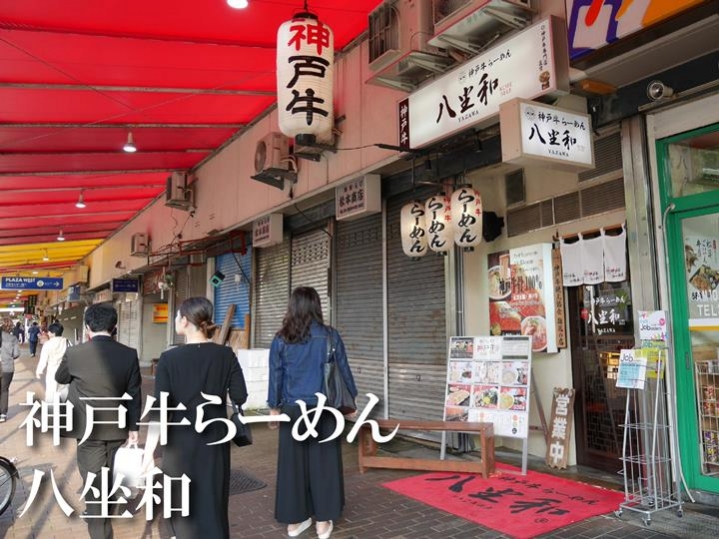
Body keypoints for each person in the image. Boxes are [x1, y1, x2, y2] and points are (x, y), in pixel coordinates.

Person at [142, 297, 248, 539]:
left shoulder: (169, 359)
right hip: (215, 439)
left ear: (185, 321)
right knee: (213, 500)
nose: (176, 319)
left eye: (178, 316)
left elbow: (160, 409)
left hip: (180, 443)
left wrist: (148, 453)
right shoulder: (226, 355)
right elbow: (240, 395)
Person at [268, 286, 358, 539]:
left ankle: (294, 522)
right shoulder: (330, 336)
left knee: (292, 466)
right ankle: (323, 522)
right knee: (324, 463)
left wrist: (274, 408)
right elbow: (343, 371)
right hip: (325, 410)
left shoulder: (281, 338)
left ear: (292, 307)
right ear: (317, 306)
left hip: (292, 410)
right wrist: (351, 402)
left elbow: (276, 375)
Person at [55, 303, 142, 539]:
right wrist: (134, 427)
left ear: (87, 327)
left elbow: (60, 377)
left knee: (94, 481)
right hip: (118, 428)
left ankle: (99, 524)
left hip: (87, 430)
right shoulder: (129, 354)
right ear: (114, 327)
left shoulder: (75, 353)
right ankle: (104, 511)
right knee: (111, 474)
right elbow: (134, 394)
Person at [35, 321, 70, 404]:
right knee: (64, 390)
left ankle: (51, 409)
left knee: (51, 392)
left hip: (52, 371)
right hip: (65, 370)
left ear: (53, 333)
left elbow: (43, 360)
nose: (48, 333)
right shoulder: (67, 342)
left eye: (49, 332)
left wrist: (39, 371)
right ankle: (63, 407)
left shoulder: (48, 344)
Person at [0, 318, 21, 422]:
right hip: (7, 368)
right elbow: (16, 354)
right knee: (4, 390)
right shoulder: (13, 338)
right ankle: (3, 414)